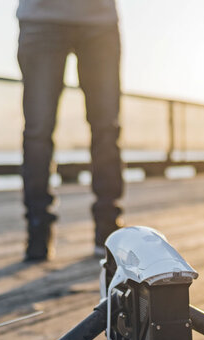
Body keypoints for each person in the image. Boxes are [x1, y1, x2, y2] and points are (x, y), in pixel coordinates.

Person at [16, 0, 125, 262]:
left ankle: (108, 228)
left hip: (99, 20)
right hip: (41, 18)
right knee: (38, 130)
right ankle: (37, 228)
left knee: (105, 127)